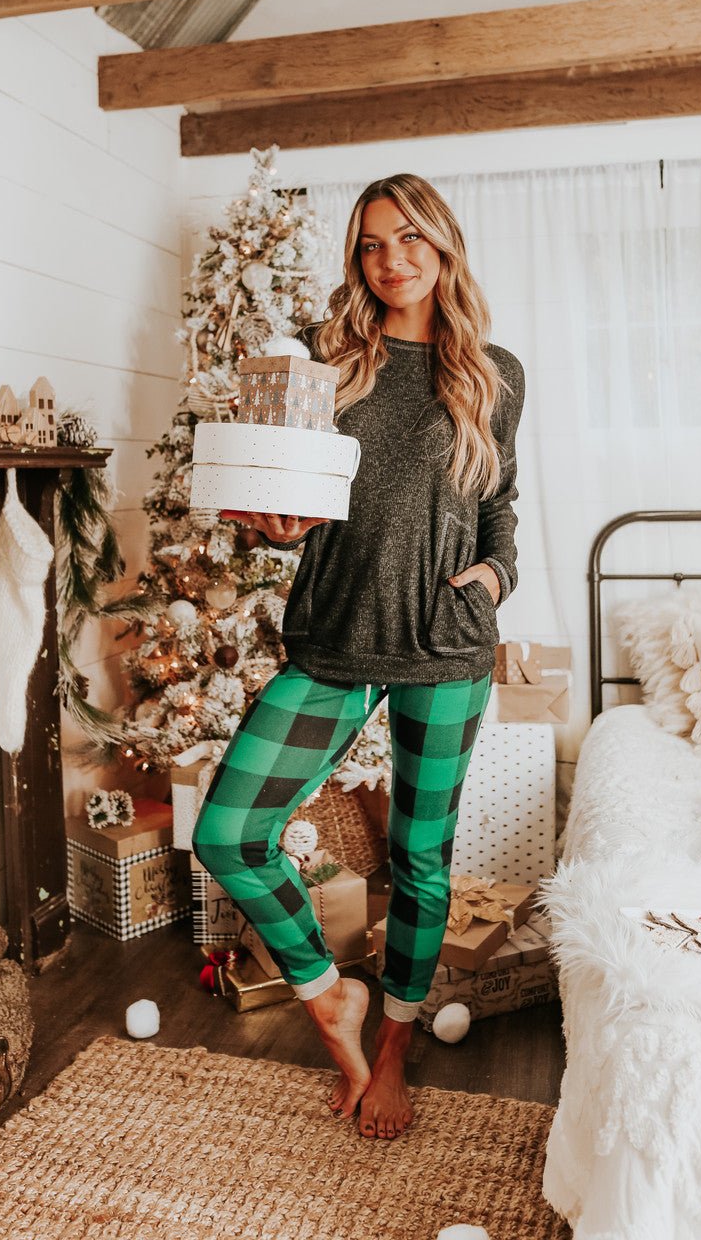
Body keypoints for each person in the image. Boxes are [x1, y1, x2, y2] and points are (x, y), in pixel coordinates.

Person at [192, 172, 525, 1140]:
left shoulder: (493, 371)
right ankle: (329, 993)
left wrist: (496, 575)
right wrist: (274, 525)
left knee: (420, 861)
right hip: (335, 633)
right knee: (230, 832)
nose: (392, 259)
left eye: (410, 237)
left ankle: (391, 1051)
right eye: (373, 243)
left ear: (443, 245)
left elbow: (499, 500)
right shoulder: (322, 359)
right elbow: (285, 494)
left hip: (446, 640)